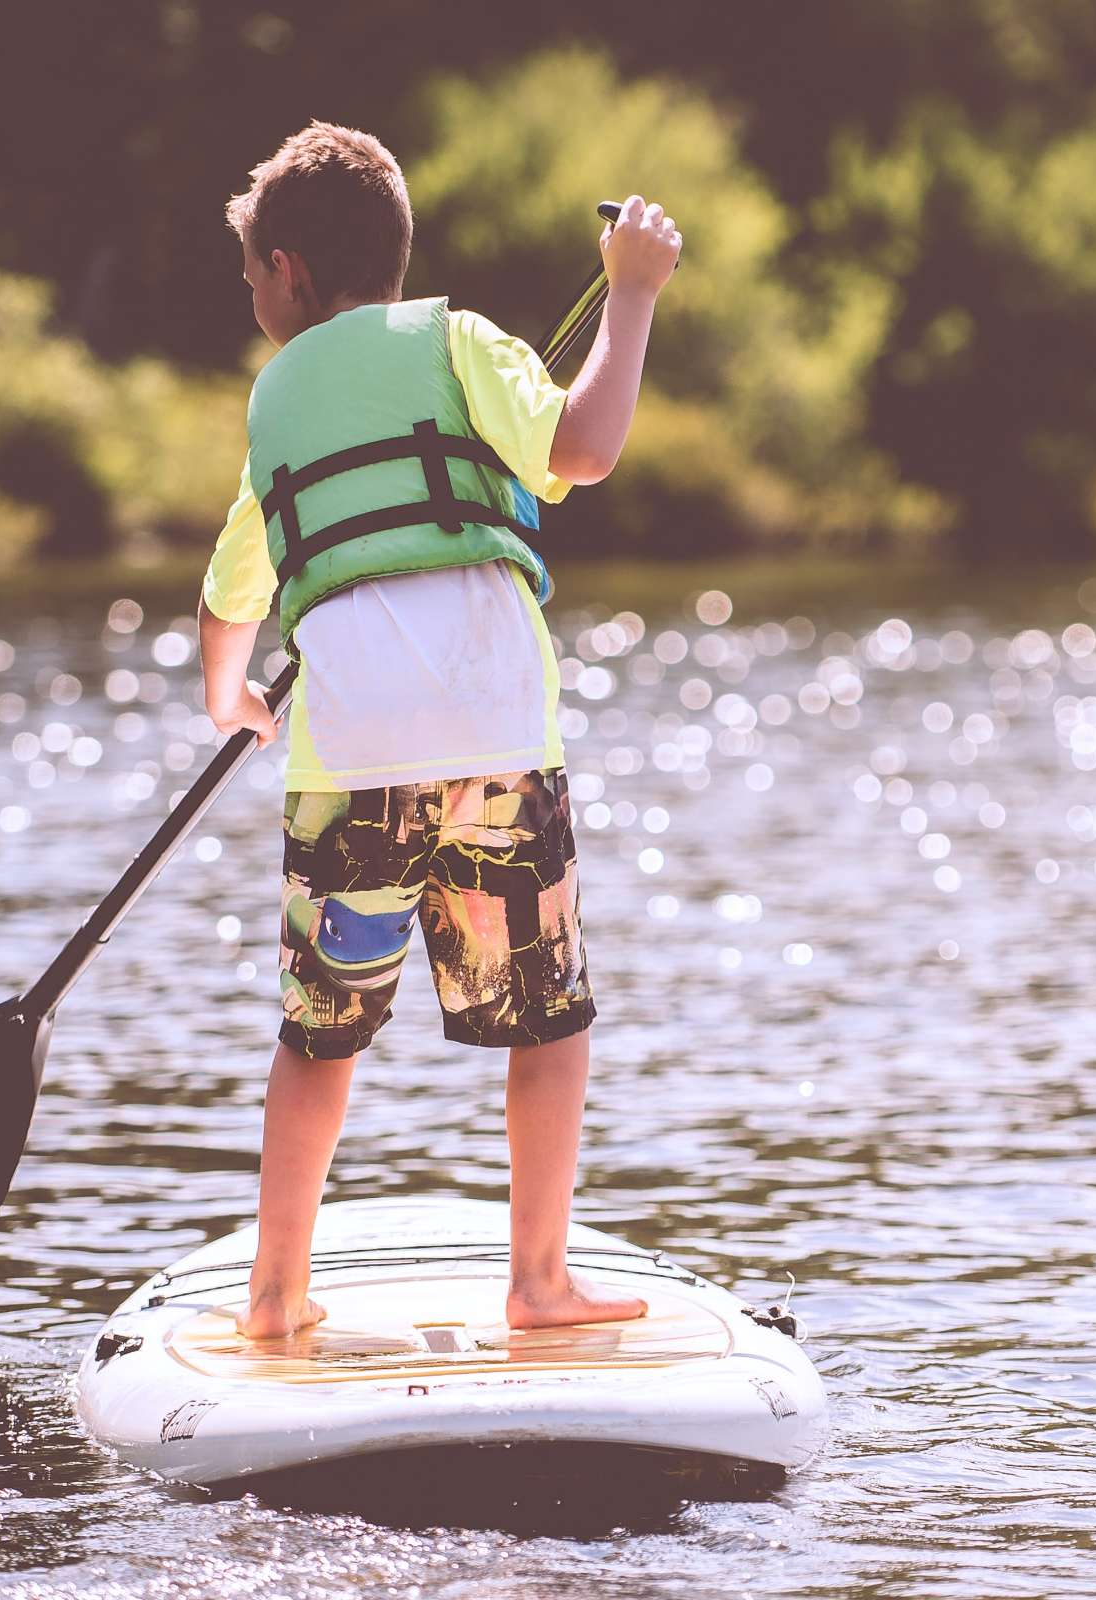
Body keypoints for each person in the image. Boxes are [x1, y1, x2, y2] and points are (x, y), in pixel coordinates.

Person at [193, 119, 680, 1340]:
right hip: (500, 751)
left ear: (289, 271)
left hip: (350, 768)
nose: (250, 289)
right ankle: (539, 1283)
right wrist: (630, 302)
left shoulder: (274, 402)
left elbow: (230, 595)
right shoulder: (462, 343)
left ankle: (273, 1296)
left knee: (320, 1040)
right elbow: (587, 444)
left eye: (252, 268)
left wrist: (229, 697)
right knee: (548, 1021)